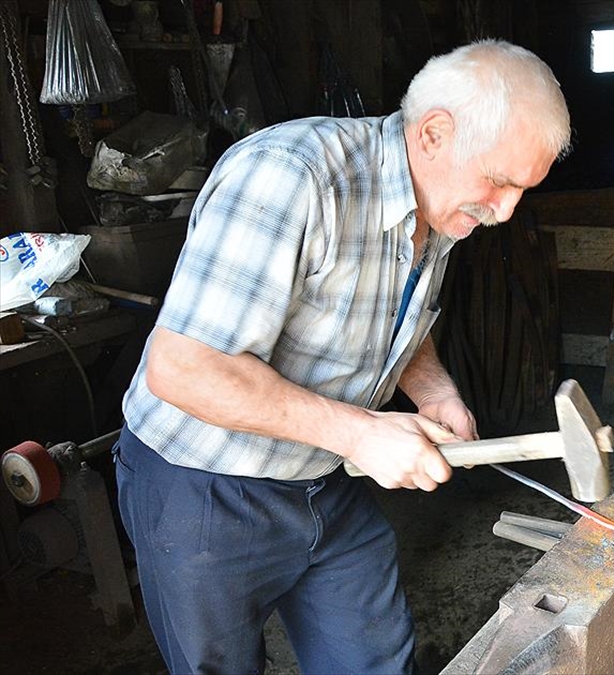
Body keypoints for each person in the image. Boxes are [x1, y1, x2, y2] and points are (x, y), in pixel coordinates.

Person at [112, 39, 571, 674]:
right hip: (203, 485)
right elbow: (184, 367)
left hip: (324, 477)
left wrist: (432, 388)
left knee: (374, 661)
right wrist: (362, 434)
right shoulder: (291, 175)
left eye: (523, 189)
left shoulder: (440, 204)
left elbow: (386, 310)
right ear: (434, 133)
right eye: (499, 182)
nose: (506, 211)